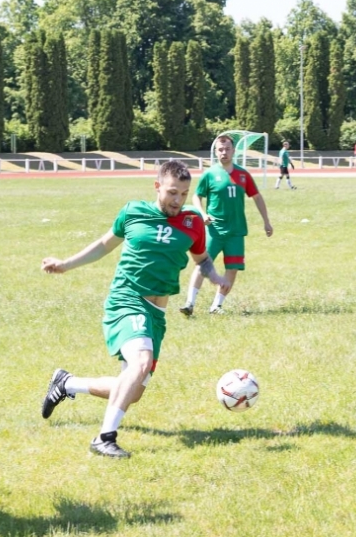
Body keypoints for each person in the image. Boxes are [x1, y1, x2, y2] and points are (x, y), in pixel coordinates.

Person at [40, 160, 230, 458]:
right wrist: (65, 264)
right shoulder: (133, 212)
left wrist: (215, 276)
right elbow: (104, 245)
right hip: (127, 300)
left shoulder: (192, 222)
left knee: (134, 390)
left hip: (157, 315)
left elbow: (201, 258)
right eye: (172, 193)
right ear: (157, 187)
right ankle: (104, 438)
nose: (178, 200)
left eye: (183, 193)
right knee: (140, 362)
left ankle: (67, 384)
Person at [181, 133, 272, 315]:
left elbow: (257, 196)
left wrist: (266, 221)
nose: (224, 152)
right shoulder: (209, 174)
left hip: (236, 232)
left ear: (233, 150)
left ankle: (216, 306)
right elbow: (196, 196)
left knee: (232, 268)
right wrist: (203, 213)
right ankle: (189, 303)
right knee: (202, 265)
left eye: (227, 149)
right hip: (214, 231)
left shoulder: (243, 174)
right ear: (216, 152)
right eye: (220, 149)